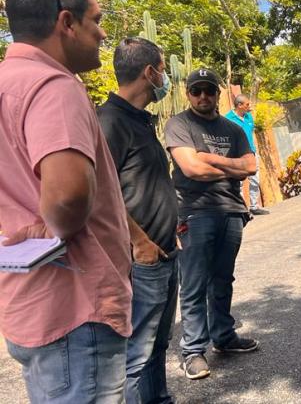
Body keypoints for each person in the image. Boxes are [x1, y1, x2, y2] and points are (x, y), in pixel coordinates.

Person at [0, 0, 133, 402]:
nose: (103, 34)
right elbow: (68, 193)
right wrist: (54, 224)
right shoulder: (53, 86)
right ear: (66, 23)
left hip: (27, 303)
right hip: (77, 308)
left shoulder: (7, 82)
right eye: (96, 21)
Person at [97, 37, 179, 404]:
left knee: (159, 344)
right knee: (137, 356)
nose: (165, 78)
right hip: (141, 261)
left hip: (164, 252)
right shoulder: (109, 121)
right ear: (150, 72)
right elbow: (99, 191)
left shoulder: (140, 121)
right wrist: (139, 241)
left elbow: (140, 184)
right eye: (162, 70)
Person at [165, 68, 259, 380]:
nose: (203, 96)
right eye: (196, 91)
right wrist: (232, 168)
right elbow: (191, 169)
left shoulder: (233, 129)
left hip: (231, 211)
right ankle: (193, 350)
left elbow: (251, 165)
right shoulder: (179, 124)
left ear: (218, 94)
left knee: (222, 280)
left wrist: (210, 159)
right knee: (193, 283)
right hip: (194, 211)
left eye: (208, 90)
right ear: (188, 94)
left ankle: (223, 336)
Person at [225, 94, 269, 215]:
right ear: (239, 105)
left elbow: (250, 133)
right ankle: (243, 208)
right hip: (237, 155)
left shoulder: (249, 117)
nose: (249, 106)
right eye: (247, 104)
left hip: (251, 152)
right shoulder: (228, 119)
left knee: (255, 179)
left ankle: (254, 206)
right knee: (238, 183)